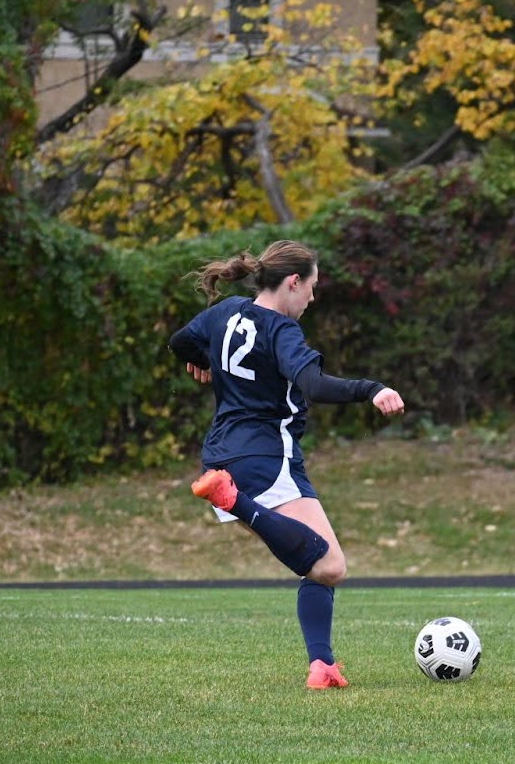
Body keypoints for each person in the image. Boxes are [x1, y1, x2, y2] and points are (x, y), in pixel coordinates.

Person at [168, 239, 404, 689]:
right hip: (265, 456)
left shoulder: (227, 311)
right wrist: (370, 389)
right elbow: (313, 384)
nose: (313, 298)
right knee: (329, 565)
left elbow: (180, 341)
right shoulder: (281, 329)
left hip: (220, 453)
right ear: (293, 282)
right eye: (312, 287)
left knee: (313, 563)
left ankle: (323, 666)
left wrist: (199, 359)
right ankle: (235, 501)